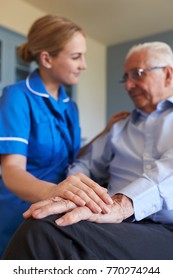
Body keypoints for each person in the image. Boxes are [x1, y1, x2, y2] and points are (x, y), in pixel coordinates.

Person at [4, 40, 173, 260]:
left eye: (138, 74)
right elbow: (84, 162)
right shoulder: (118, 128)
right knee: (46, 226)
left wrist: (123, 204)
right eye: (126, 78)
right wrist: (77, 193)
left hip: (161, 225)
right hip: (119, 225)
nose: (128, 86)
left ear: (168, 74)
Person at [0, 14, 129, 258]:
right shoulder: (17, 97)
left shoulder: (70, 106)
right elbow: (12, 172)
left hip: (59, 207)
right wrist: (53, 191)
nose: (84, 64)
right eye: (76, 56)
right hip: (19, 210)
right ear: (47, 58)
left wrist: (105, 132)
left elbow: (70, 157)